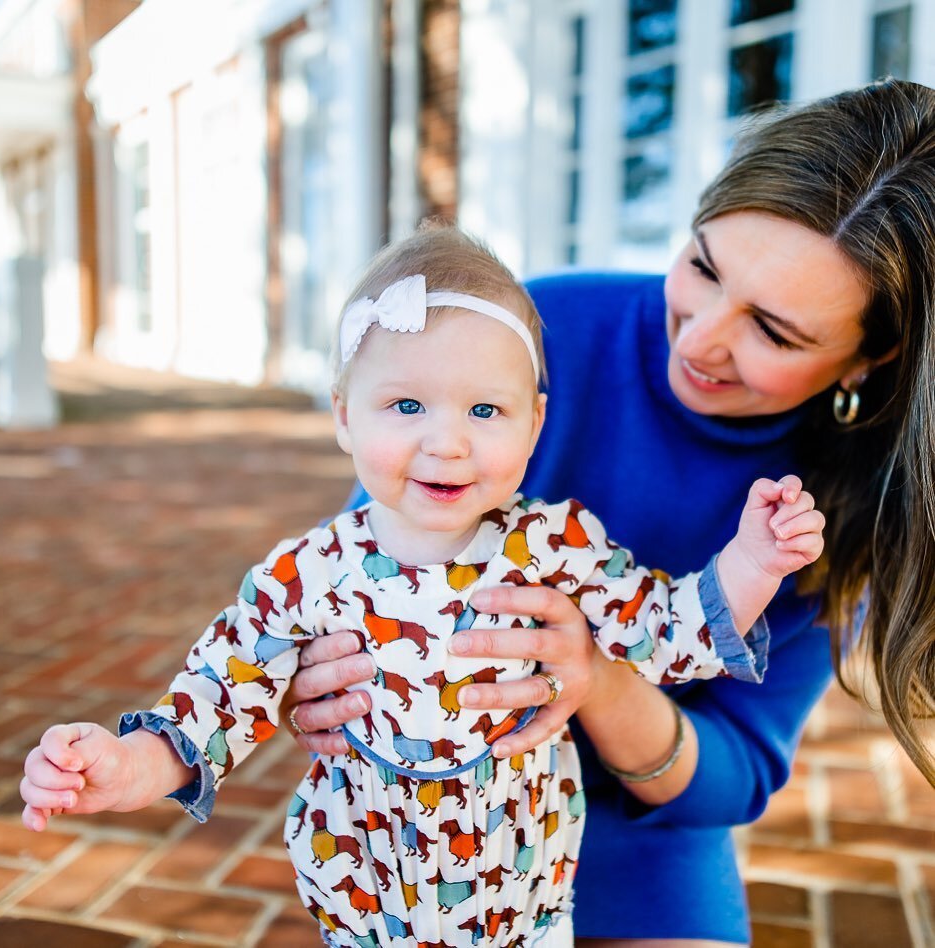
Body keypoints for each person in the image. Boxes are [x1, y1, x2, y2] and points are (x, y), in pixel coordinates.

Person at [19, 226, 825, 948]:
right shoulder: (308, 571)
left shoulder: (560, 547)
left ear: (535, 424)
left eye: (485, 409)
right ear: (344, 416)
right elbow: (221, 693)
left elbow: (666, 629)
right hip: (368, 885)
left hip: (527, 886)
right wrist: (133, 764)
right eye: (406, 404)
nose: (448, 444)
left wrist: (751, 562)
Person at [278, 78, 935, 947]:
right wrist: (307, 672)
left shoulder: (850, 496)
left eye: (774, 333)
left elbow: (733, 776)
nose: (698, 338)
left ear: (870, 357)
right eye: (702, 267)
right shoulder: (528, 332)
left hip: (642, 830)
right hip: (436, 819)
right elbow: (362, 563)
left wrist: (593, 678)